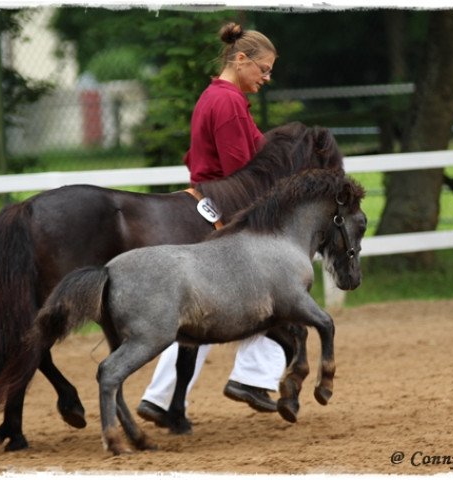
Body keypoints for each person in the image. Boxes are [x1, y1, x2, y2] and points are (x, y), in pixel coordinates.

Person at [137, 22, 286, 426]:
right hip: (226, 207)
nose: (267, 78)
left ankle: (159, 398)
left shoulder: (217, 97)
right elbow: (243, 171)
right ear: (241, 60)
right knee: (279, 294)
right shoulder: (228, 103)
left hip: (209, 200)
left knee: (202, 315)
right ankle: (252, 378)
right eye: (264, 69)